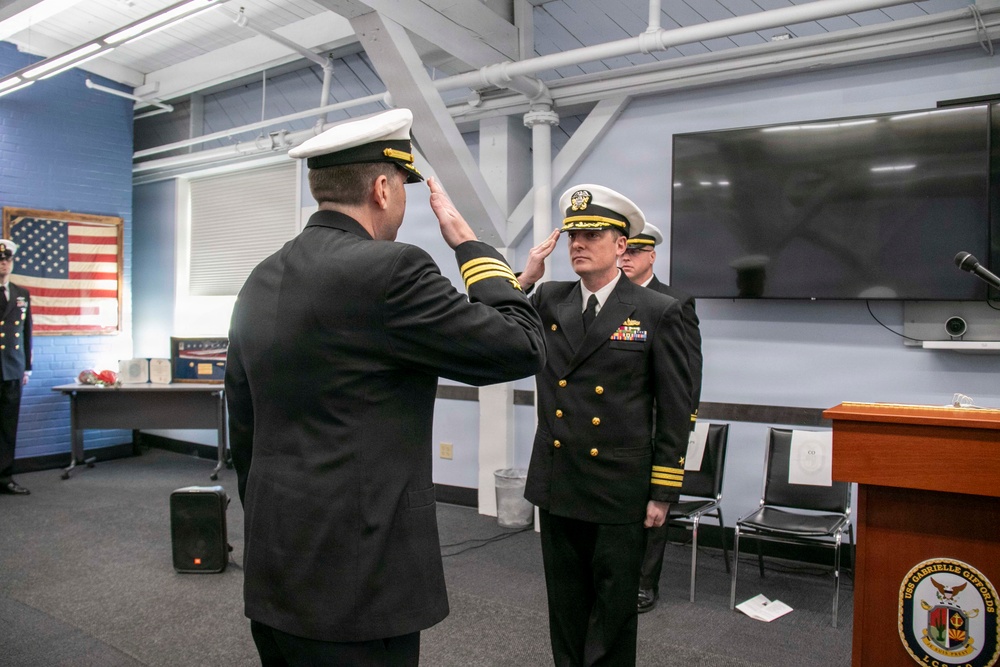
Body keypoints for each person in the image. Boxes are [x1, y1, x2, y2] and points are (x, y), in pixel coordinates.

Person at [224, 108, 546, 666]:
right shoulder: (391, 270)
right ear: (381, 188)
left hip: (277, 563)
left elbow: (245, 418)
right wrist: (472, 248)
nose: (401, 201)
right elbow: (520, 346)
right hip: (358, 579)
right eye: (402, 187)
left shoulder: (261, 276)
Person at [518, 185, 691, 666]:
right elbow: (491, 327)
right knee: (566, 606)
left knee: (613, 612)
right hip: (559, 481)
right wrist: (525, 278)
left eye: (592, 234)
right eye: (573, 234)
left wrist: (663, 489)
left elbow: (676, 407)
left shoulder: (659, 310)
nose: (578, 243)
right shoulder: (549, 300)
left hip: (619, 486)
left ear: (621, 246)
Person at [619, 222, 703, 614]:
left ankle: (643, 583)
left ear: (652, 255)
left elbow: (688, 373)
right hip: (618, 424)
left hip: (655, 423)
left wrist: (681, 423)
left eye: (635, 251)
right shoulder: (608, 297)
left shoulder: (675, 302)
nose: (626, 258)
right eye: (623, 250)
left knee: (653, 510)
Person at [0, 239, 32, 496]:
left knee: (8, 426)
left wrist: (27, 367)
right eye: (0, 260)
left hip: (12, 369)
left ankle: (5, 477)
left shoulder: (22, 294)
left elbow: (26, 333)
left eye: (7, 260)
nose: (3, 264)